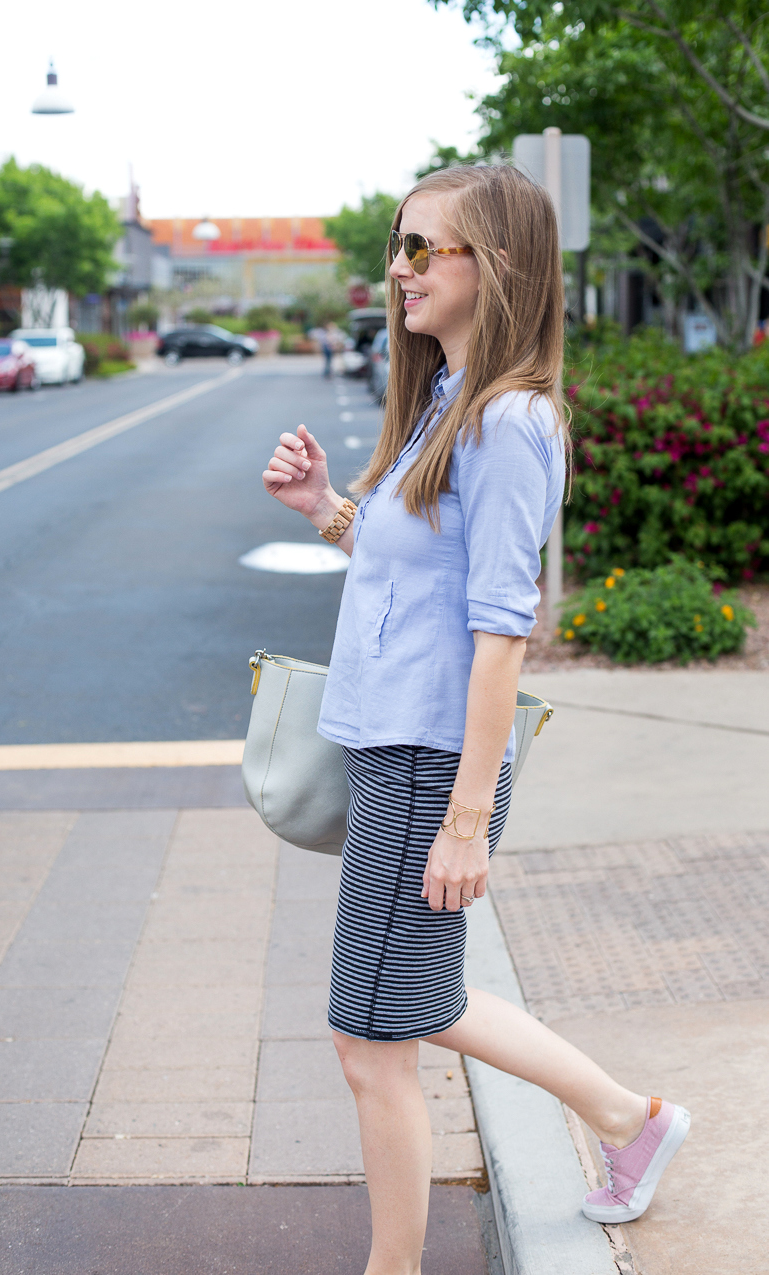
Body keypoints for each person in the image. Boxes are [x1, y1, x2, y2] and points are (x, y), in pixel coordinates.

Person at [262, 164, 689, 1275]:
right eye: (396, 246)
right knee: (419, 999)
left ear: (491, 267)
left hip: (426, 768)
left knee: (369, 1042)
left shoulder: (507, 424)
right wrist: (325, 512)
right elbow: (419, 576)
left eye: (420, 250)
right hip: (394, 756)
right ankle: (630, 1120)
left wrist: (462, 821)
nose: (392, 269)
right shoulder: (450, 399)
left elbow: (503, 634)